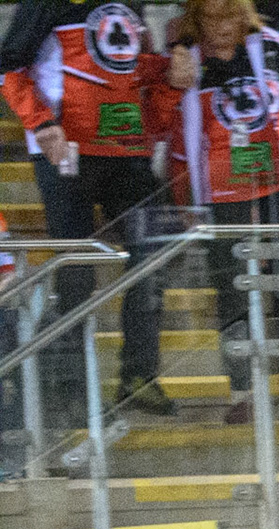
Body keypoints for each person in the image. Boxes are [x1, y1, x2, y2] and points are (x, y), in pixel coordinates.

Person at [157, 0, 279, 424]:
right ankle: (242, 391)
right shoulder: (186, 60)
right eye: (212, 19)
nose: (222, 27)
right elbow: (169, 128)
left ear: (246, 16)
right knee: (232, 286)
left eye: (231, 17)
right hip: (219, 187)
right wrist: (185, 199)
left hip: (278, 177)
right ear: (197, 20)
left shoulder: (272, 46)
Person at [0, 0, 173, 416]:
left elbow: (132, 65)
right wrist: (41, 123)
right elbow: (7, 68)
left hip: (127, 151)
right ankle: (62, 389)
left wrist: (171, 72)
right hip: (65, 151)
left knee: (160, 248)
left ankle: (138, 374)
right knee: (76, 273)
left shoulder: (132, 4)